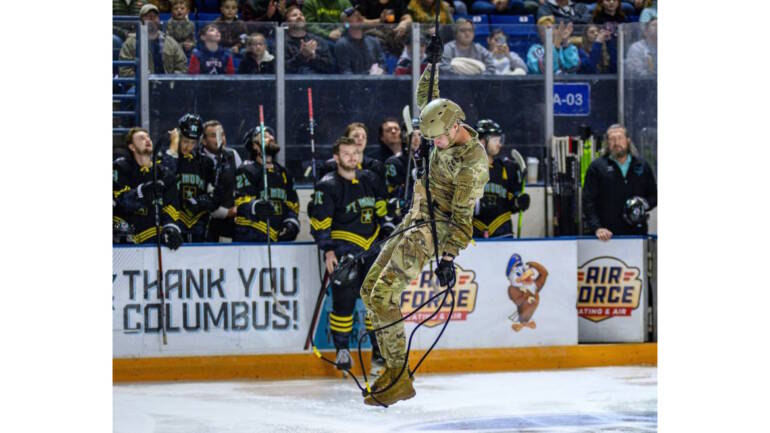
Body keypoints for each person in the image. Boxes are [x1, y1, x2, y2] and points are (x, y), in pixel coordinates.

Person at [359, 42, 489, 406]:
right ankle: (393, 369)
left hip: (433, 232)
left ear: (456, 126)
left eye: (438, 138)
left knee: (383, 296)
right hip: (414, 218)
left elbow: (464, 219)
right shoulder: (441, 127)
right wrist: (432, 64)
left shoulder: (471, 163)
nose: (434, 143)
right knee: (369, 292)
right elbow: (427, 99)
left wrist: (447, 259)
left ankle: (398, 374)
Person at [309, 136, 390, 374]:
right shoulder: (328, 185)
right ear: (336, 158)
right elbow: (320, 222)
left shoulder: (370, 180)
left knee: (376, 303)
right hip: (345, 250)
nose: (352, 157)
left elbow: (380, 208)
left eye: (355, 153)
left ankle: (378, 353)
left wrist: (387, 222)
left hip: (372, 248)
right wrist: (328, 251)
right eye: (346, 154)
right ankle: (342, 350)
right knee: (343, 303)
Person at [582, 124, 657, 241]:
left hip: (637, 235)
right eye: (612, 139)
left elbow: (654, 195)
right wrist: (597, 228)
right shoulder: (597, 167)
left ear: (628, 140)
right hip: (607, 237)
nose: (616, 142)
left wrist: (643, 204)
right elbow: (588, 202)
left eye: (620, 138)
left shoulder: (642, 165)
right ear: (607, 143)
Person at [113, 127, 183, 249]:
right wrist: (143, 191)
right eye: (141, 138)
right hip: (125, 241)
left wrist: (171, 227)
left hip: (155, 241)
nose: (147, 140)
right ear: (132, 147)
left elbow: (171, 205)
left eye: (148, 137)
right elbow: (120, 201)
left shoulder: (164, 173)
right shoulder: (120, 168)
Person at [233, 125, 300, 242]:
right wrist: (255, 207)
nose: (271, 137)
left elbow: (292, 205)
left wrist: (291, 223)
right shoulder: (246, 169)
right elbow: (240, 203)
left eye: (271, 135)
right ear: (255, 146)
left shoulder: (283, 173)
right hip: (250, 236)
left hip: (278, 237)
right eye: (265, 136)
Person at [162, 114, 219, 242]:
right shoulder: (166, 157)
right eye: (185, 141)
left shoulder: (206, 163)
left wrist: (204, 201)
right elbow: (166, 179)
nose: (188, 146)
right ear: (178, 137)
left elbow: (215, 196)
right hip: (173, 223)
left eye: (193, 142)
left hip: (199, 225)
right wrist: (173, 149)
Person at [471, 119, 530, 238]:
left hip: (502, 231)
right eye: (495, 139)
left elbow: (511, 203)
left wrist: (518, 202)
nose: (500, 144)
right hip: (473, 232)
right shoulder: (466, 169)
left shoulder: (508, 168)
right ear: (482, 141)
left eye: (500, 139)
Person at [199, 120, 242, 242]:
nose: (220, 139)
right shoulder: (197, 160)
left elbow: (242, 186)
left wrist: (239, 208)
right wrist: (226, 212)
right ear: (204, 140)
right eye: (214, 136)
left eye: (222, 134)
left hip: (231, 222)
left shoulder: (232, 154)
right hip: (205, 224)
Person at [118, 4, 188, 77]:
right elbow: (124, 71)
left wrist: (171, 81)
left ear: (159, 19)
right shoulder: (130, 43)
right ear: (141, 20)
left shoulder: (171, 42)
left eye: (154, 16)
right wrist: (143, 79)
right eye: (147, 16)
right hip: (140, 86)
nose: (152, 18)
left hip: (167, 85)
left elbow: (182, 67)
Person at [317, 122, 387, 189]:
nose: (360, 139)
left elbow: (381, 195)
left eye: (364, 137)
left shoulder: (376, 167)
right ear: (346, 140)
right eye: (356, 136)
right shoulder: (330, 166)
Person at [383, 118, 422, 225]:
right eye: (413, 135)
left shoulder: (428, 161)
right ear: (405, 137)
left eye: (419, 135)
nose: (417, 139)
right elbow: (392, 194)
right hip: (405, 217)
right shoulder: (394, 162)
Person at [284, 2, 336, 74]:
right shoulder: (282, 42)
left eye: (301, 15)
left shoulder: (318, 40)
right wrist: (302, 56)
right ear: (286, 23)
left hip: (318, 82)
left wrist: (313, 56)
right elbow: (282, 69)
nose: (299, 17)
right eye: (294, 15)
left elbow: (330, 67)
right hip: (293, 83)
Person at [334, 7, 386, 75]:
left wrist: (381, 70)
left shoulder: (374, 41)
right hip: (355, 84)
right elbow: (345, 73)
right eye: (354, 16)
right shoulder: (342, 44)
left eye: (359, 15)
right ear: (346, 23)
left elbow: (382, 64)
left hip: (377, 82)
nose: (359, 17)